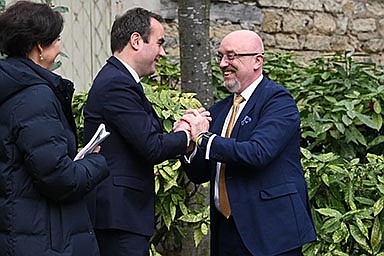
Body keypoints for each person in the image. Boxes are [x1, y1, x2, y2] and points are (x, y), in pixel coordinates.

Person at [82, 7, 209, 256]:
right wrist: (190, 134)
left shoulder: (121, 81)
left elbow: (144, 137)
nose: (162, 52)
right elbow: (150, 147)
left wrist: (178, 132)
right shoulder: (117, 83)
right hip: (118, 216)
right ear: (136, 41)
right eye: (160, 43)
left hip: (122, 215)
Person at [179, 30, 316, 255]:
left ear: (257, 61)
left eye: (231, 56)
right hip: (226, 231)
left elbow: (258, 153)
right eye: (220, 56)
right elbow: (200, 174)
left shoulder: (278, 101)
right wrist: (189, 146)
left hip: (271, 232)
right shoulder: (220, 110)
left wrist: (203, 138)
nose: (223, 64)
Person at [0, 1, 109, 256]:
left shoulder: (11, 89)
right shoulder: (35, 96)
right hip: (44, 239)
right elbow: (59, 178)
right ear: (40, 46)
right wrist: (95, 162)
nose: (60, 48)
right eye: (57, 40)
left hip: (19, 229)